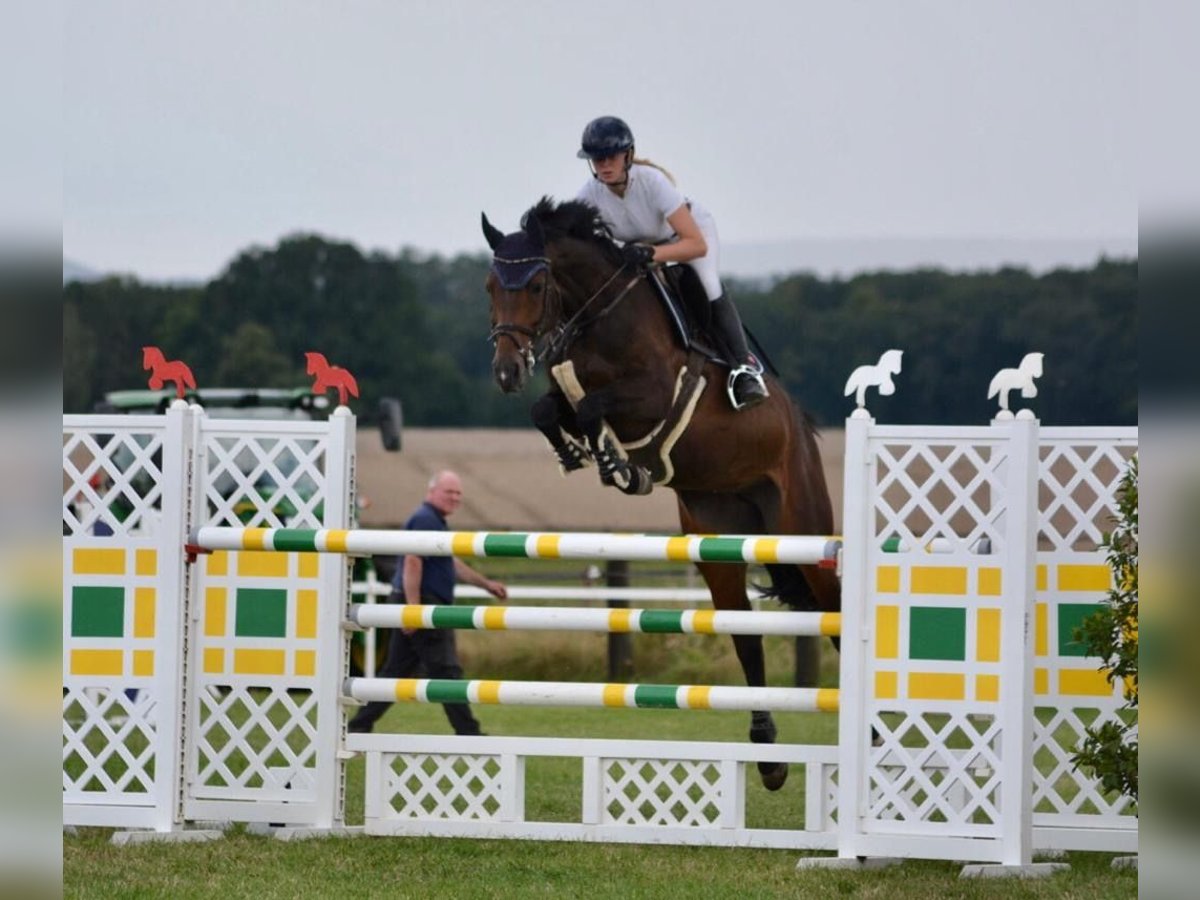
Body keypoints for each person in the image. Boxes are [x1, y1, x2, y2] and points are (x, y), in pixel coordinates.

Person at [575, 115, 768, 409]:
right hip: (641, 250)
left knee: (708, 283)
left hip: (688, 237)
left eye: (610, 157)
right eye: (596, 159)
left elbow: (696, 244)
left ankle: (744, 369)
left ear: (627, 155)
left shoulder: (652, 182)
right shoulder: (589, 195)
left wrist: (652, 254)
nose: (603, 165)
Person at [348, 470, 507, 736]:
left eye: (458, 493)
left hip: (414, 602)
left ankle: (359, 725)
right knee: (447, 671)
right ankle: (469, 733)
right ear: (431, 491)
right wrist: (415, 611)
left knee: (395, 673)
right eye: (449, 492)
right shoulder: (425, 520)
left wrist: (486, 584)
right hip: (423, 604)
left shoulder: (433, 520)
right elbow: (412, 561)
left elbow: (449, 562)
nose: (455, 498)